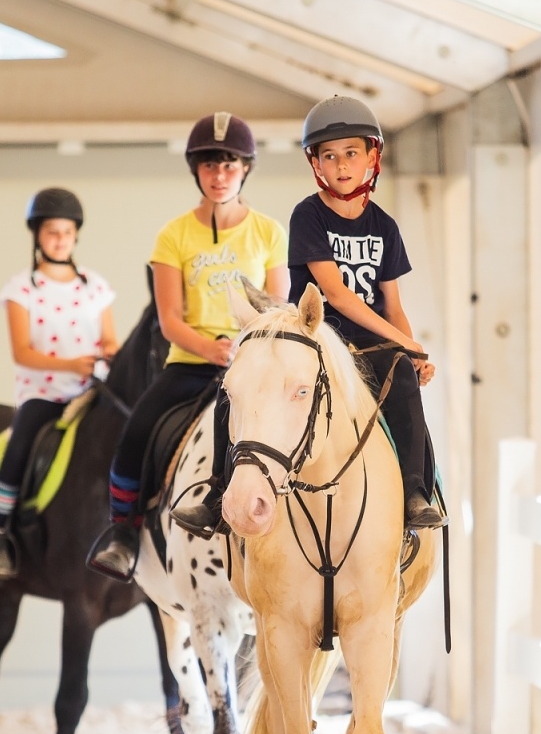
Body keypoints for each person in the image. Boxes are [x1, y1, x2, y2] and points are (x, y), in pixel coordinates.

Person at [170, 95, 444, 539]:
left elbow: (392, 305)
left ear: (372, 157)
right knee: (235, 386)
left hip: (372, 344)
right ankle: (218, 493)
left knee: (405, 386)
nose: (341, 165)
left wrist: (410, 353)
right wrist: (407, 343)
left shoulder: (385, 227)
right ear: (316, 163)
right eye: (329, 156)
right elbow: (335, 294)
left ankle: (416, 493)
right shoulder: (308, 215)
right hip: (314, 339)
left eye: (351, 153)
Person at [85, 112, 289, 582]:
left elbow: (277, 307)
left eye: (229, 165)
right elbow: (169, 319)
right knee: (135, 433)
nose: (219, 176)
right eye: (209, 165)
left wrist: (243, 347)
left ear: (245, 169)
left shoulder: (269, 232)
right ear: (196, 170)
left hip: (252, 362)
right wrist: (210, 348)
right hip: (192, 363)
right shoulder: (173, 235)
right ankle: (123, 533)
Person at [0, 187, 116, 579]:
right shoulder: (21, 289)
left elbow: (110, 339)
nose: (60, 240)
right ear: (38, 235)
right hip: (44, 392)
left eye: (67, 232)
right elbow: (22, 352)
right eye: (52, 232)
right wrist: (71, 364)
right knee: (19, 447)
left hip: (91, 390)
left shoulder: (95, 285)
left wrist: (110, 354)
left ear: (76, 236)